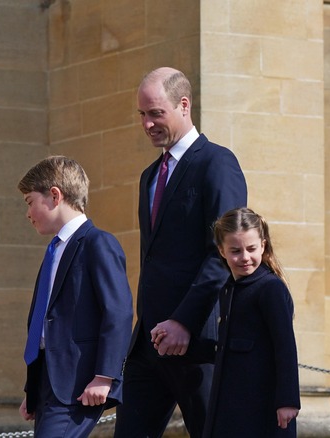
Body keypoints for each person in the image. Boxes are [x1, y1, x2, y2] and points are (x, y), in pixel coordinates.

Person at [113, 67, 248, 438]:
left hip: (197, 342)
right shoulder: (148, 177)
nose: (147, 124)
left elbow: (223, 252)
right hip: (149, 344)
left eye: (156, 113)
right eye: (142, 114)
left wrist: (184, 321)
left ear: (183, 105)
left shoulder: (217, 163)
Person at [17, 156, 133, 437]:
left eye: (30, 201)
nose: (28, 212)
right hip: (49, 382)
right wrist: (33, 390)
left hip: (78, 385)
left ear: (55, 195)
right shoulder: (54, 250)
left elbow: (118, 312)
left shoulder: (98, 243)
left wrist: (105, 376)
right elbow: (45, 322)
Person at [199, 207, 300, 437]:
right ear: (221, 251)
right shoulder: (228, 290)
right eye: (235, 250)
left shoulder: (270, 288)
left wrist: (287, 401)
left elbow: (285, 347)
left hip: (263, 410)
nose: (244, 257)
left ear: (263, 246)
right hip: (231, 408)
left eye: (251, 249)